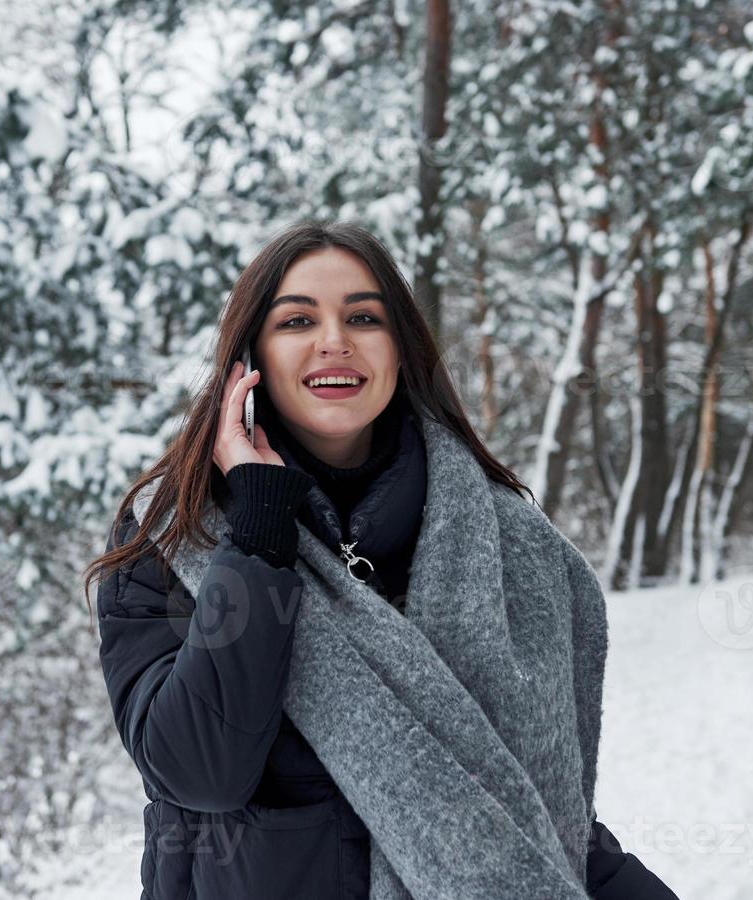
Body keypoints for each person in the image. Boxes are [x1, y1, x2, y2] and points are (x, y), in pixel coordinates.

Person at [83, 221, 680, 899]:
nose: (333, 340)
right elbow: (198, 772)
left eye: (363, 317)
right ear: (247, 359)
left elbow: (544, 819)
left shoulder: (514, 547)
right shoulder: (174, 534)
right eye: (296, 319)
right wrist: (258, 527)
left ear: (400, 349)